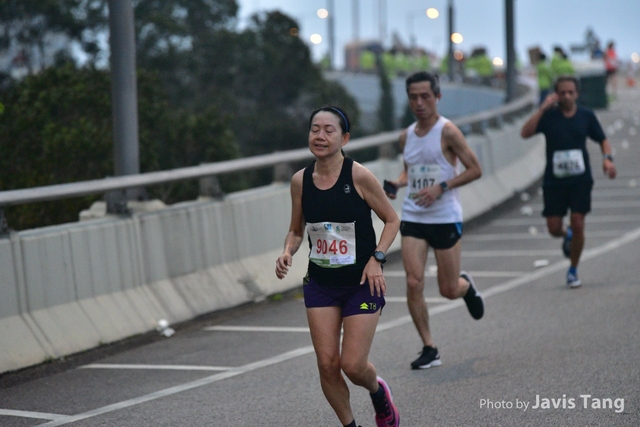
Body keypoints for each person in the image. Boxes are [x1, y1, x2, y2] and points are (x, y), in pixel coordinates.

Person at [275, 106, 401, 427]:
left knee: (353, 366)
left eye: (328, 130)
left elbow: (392, 219)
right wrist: (288, 251)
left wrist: (377, 258)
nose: (320, 136)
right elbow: (296, 230)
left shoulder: (358, 176)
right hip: (321, 283)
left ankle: (378, 392)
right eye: (314, 129)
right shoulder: (300, 181)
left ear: (344, 138)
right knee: (327, 365)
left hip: (362, 282)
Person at [384, 71, 485, 370]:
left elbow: (475, 169)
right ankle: (429, 348)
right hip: (414, 215)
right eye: (413, 97)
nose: (419, 103)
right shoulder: (406, 136)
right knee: (413, 281)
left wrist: (442, 187)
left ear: (437, 97)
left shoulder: (448, 132)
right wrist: (398, 183)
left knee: (448, 290)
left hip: (444, 217)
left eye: (425, 96)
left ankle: (466, 286)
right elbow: (411, 171)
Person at [520, 75, 617, 287]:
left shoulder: (586, 116)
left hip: (580, 179)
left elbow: (602, 139)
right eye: (562, 92)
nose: (566, 96)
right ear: (555, 94)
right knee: (554, 228)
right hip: (554, 181)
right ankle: (567, 233)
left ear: (577, 94)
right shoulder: (549, 116)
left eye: (570, 92)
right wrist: (542, 108)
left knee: (579, 222)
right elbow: (525, 133)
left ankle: (573, 270)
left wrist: (607, 159)